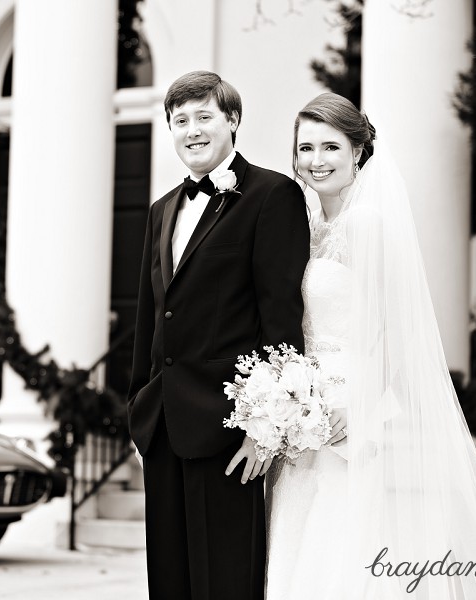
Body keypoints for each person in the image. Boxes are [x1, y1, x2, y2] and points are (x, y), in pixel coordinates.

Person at [265, 92, 476, 599]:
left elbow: (399, 334)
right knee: (300, 536)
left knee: (342, 542)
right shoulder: (308, 228)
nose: (315, 160)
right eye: (306, 148)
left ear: (358, 153)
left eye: (330, 147)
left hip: (350, 412)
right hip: (302, 413)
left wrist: (361, 405)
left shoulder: (367, 225)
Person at [127, 71, 309, 600]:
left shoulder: (272, 195)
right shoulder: (162, 210)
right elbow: (148, 318)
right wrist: (138, 408)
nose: (192, 130)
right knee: (170, 579)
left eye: (204, 116)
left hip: (229, 427)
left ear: (232, 121)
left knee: (225, 579)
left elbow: (281, 320)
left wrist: (264, 427)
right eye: (179, 121)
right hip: (161, 425)